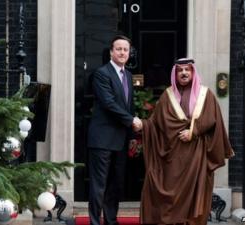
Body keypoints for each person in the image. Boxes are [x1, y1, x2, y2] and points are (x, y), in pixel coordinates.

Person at [138, 58, 234, 225]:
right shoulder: (167, 96)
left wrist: (194, 132)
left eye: (187, 70)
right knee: (170, 197)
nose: (183, 73)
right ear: (175, 74)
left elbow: (214, 122)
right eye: (180, 70)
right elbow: (155, 124)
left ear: (193, 72)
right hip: (172, 158)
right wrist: (142, 125)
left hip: (196, 156)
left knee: (194, 197)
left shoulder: (206, 95)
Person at [87, 35, 142, 225]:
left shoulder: (127, 75)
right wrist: (131, 120)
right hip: (102, 139)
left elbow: (129, 106)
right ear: (111, 52)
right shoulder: (102, 73)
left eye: (125, 50)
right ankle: (95, 222)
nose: (122, 53)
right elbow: (109, 103)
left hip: (120, 139)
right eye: (118, 49)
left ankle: (111, 221)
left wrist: (133, 136)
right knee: (99, 185)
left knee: (115, 185)